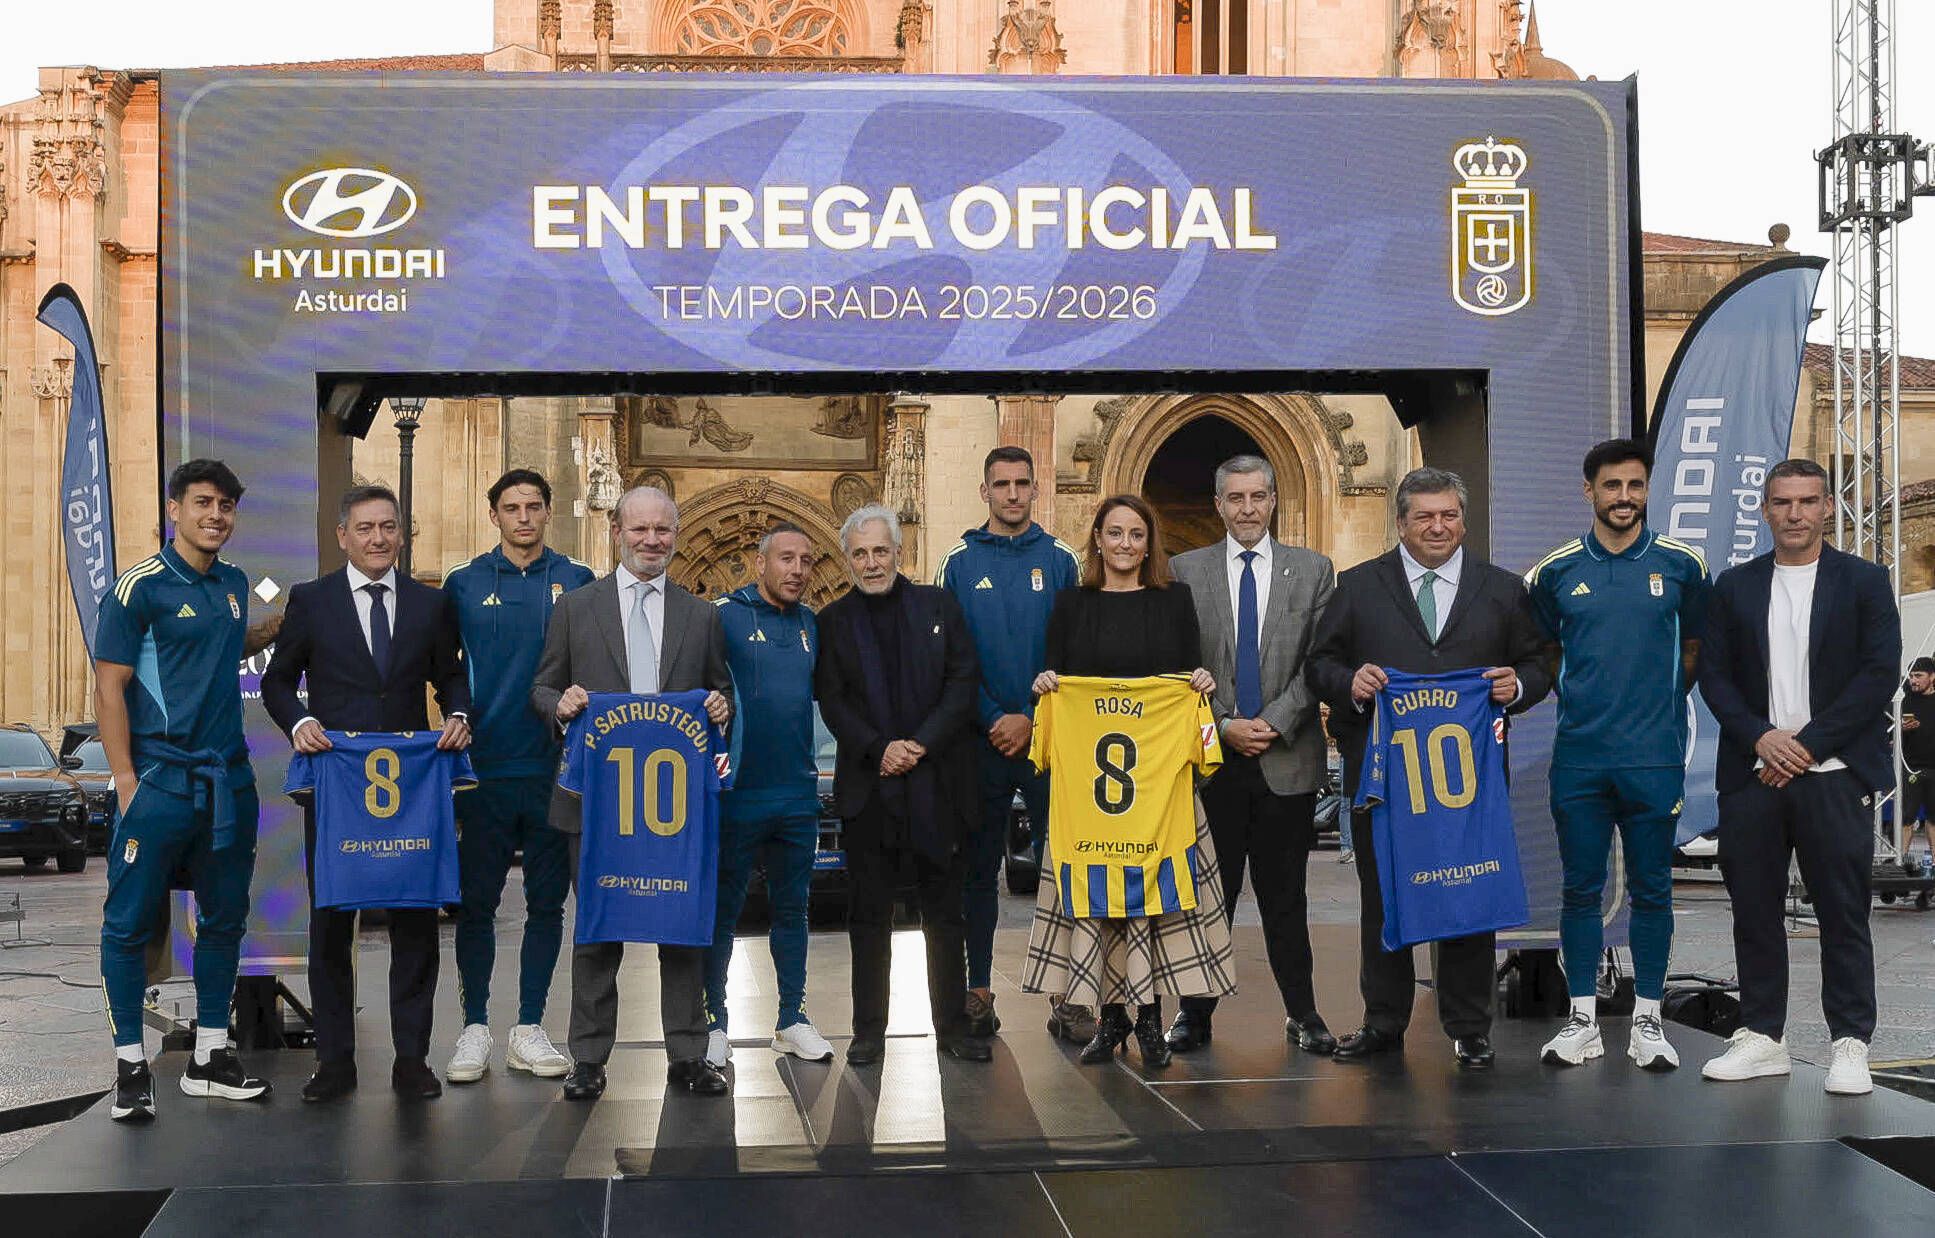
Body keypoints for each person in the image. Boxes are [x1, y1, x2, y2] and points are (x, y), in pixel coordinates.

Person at [1305, 467, 1550, 1070]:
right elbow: (1320, 663)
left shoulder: (1502, 589)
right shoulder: (1360, 586)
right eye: (1424, 517)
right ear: (1401, 523)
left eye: (1448, 516)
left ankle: (1470, 1027)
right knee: (1383, 895)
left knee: (1469, 892)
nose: (1438, 527)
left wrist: (1518, 684)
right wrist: (1351, 684)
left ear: (1463, 521)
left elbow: (1542, 662)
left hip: (1470, 783)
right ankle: (1383, 1022)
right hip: (1384, 780)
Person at [262, 484, 472, 1103]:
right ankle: (334, 1064)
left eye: (388, 527)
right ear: (342, 536)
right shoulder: (312, 601)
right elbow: (277, 682)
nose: (378, 538)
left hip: (410, 791)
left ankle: (412, 1061)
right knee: (331, 926)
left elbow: (452, 675)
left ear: (401, 534)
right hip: (336, 788)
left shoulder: (430, 605)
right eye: (365, 528)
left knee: (415, 925)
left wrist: (458, 711)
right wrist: (299, 723)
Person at [1697, 458, 1899, 1096]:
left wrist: (1804, 747)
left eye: (1808, 502)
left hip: (1834, 775)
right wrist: (1762, 738)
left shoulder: (1865, 581)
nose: (1795, 514)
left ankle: (1849, 1043)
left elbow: (1877, 675)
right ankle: (1762, 1035)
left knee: (1843, 913)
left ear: (1826, 509)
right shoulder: (1734, 585)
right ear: (1765, 509)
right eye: (1782, 502)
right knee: (1753, 911)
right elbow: (1715, 677)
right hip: (1754, 773)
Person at [528, 486, 734, 1100]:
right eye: (640, 529)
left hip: (673, 812)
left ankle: (689, 1055)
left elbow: (719, 694)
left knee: (682, 929)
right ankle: (587, 1059)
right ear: (617, 531)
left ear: (676, 534)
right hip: (594, 805)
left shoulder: (701, 615)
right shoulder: (576, 607)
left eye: (663, 530)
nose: (652, 541)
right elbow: (541, 688)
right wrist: (560, 705)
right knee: (596, 931)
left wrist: (720, 708)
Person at [94, 459, 278, 1121]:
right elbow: (110, 687)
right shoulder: (137, 588)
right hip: (160, 786)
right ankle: (130, 1069)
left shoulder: (231, 584)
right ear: (175, 509)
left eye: (226, 505)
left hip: (228, 785)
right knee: (128, 927)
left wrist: (280, 624)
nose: (215, 516)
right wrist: (126, 783)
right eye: (203, 502)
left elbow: (224, 644)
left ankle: (209, 1056)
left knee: (224, 921)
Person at [1024, 494, 1229, 1071]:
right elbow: (1058, 678)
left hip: (1158, 784)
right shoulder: (1071, 603)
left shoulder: (1173, 600)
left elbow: (1187, 677)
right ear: (1097, 540)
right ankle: (1110, 1019)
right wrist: (1047, 686)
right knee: (1098, 902)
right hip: (1091, 792)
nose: (1125, 544)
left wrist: (1199, 685)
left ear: (1149, 543)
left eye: (1136, 535)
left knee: (1155, 904)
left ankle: (1149, 1020)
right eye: (1115, 533)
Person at [1524, 439, 1709, 1071]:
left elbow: (1695, 653)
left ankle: (1649, 1023)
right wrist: (1590, 701)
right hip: (1579, 757)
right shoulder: (1553, 572)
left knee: (1654, 890)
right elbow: (1545, 654)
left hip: (1654, 759)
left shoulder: (1684, 566)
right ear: (1589, 492)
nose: (1624, 497)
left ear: (1646, 489)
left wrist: (1652, 705)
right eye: (1612, 486)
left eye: (1634, 485)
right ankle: (1582, 1020)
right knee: (1580, 889)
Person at [1166, 455, 1337, 1057]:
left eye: (1257, 497)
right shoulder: (1183, 571)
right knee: (1208, 897)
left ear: (1273, 501)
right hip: (1211, 764)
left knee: (1286, 898)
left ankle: (1304, 1013)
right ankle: (1194, 1014)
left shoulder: (1313, 571)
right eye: (1234, 498)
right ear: (1218, 504)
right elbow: (1177, 668)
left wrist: (1270, 721)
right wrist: (1224, 725)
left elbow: (1319, 662)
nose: (1247, 509)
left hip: (1285, 761)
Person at [814, 504, 991, 1065]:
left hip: (936, 784)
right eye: (861, 553)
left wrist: (920, 744)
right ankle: (868, 1032)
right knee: (869, 916)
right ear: (848, 559)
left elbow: (963, 682)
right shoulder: (832, 621)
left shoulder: (939, 606)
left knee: (945, 912)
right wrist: (879, 748)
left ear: (898, 552)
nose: (872, 563)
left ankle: (953, 1029)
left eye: (880, 551)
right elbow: (833, 699)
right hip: (870, 789)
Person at [440, 469, 594, 1085]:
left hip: (557, 771)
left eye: (533, 506)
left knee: (547, 905)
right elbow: (442, 669)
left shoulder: (578, 582)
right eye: (511, 508)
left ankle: (528, 1028)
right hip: (484, 771)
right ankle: (474, 1026)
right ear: (495, 516)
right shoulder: (464, 584)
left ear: (548, 512)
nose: (523, 517)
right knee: (476, 904)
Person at [933, 446, 1086, 1043]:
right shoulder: (958, 562)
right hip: (978, 742)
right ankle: (977, 991)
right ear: (985, 491)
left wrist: (1029, 716)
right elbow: (948, 659)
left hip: (1052, 743)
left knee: (1064, 869)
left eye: (1023, 483)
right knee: (977, 873)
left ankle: (1070, 996)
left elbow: (1074, 655)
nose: (1014, 494)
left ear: (1035, 489)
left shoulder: (1063, 560)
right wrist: (996, 715)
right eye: (1002, 484)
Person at [703, 522, 836, 1068]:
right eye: (786, 559)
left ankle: (792, 1020)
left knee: (792, 910)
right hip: (739, 794)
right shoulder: (725, 616)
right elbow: (698, 684)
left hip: (797, 794)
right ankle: (715, 1021)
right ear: (760, 563)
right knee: (724, 912)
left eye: (806, 561)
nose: (798, 570)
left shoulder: (810, 624)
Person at [1897, 657, 1935, 873]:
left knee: (1934, 818)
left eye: (1919, 676)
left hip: (1934, 768)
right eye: (1911, 676)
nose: (1914, 680)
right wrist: (1902, 728)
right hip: (1911, 767)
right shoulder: (1904, 701)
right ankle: (1900, 862)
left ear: (1932, 677)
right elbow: (1890, 734)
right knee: (1906, 818)